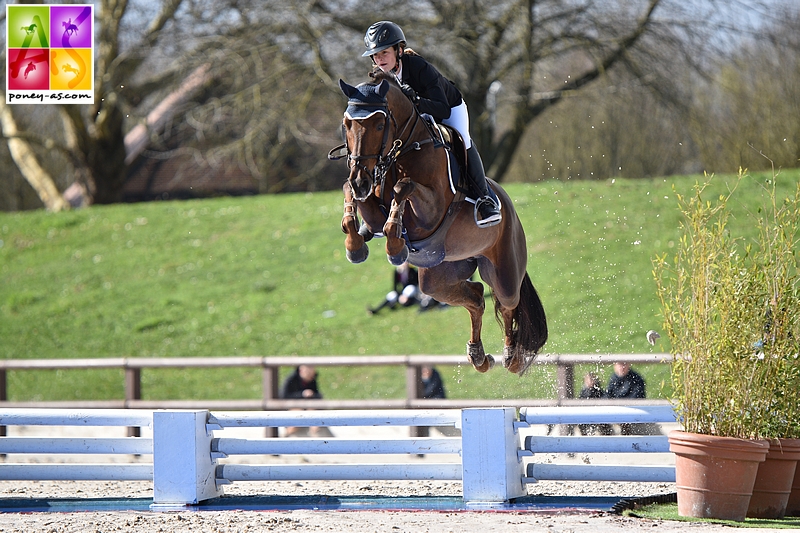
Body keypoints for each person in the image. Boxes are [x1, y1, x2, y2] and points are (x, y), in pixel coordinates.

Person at [361, 20, 501, 228]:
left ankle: (485, 199)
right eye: (375, 55)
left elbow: (442, 109)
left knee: (463, 140)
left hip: (448, 109)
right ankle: (378, 205)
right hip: (417, 117)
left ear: (399, 50)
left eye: (384, 53)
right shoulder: (382, 78)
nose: (379, 59)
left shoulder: (419, 68)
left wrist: (415, 100)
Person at [279, 365, 332, 437]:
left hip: (308, 408)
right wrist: (302, 394)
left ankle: (317, 437)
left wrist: (311, 395)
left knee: (314, 417)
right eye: (309, 373)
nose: (312, 376)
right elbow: (284, 397)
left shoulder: (311, 381)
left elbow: (318, 396)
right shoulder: (291, 380)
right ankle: (286, 436)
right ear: (302, 371)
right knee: (297, 417)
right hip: (293, 408)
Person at [368, 262, 441, 314]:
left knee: (409, 289)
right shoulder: (397, 272)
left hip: (411, 289)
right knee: (391, 295)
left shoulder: (412, 271)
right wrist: (399, 295)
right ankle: (376, 310)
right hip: (402, 291)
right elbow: (395, 286)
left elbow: (415, 283)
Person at [606, 362, 655, 435]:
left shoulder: (636, 378)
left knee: (625, 420)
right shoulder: (613, 378)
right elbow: (608, 395)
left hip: (632, 409)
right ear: (615, 366)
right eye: (619, 365)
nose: (621, 368)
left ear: (629, 365)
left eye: (624, 365)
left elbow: (637, 397)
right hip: (618, 409)